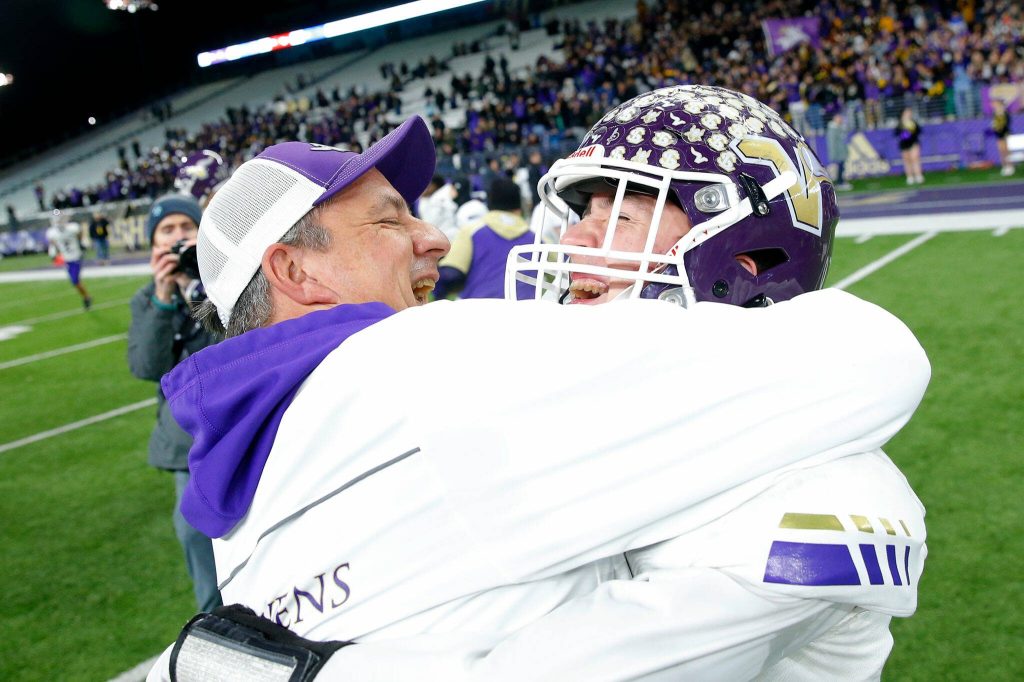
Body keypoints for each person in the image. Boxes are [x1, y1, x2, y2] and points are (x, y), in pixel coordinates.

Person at [150, 102, 928, 680]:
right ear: (295, 271)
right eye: (388, 222)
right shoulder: (424, 363)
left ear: (744, 253)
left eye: (621, 213)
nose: (431, 237)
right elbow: (874, 368)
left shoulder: (239, 443)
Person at [128, 194, 222, 615]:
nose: (178, 236)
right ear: (154, 244)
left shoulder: (224, 284)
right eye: (167, 230)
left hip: (232, 421)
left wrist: (195, 292)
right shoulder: (147, 299)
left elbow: (227, 345)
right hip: (187, 438)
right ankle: (214, 618)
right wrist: (165, 297)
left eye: (187, 227)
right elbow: (148, 365)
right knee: (193, 533)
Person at [433, 177, 534, 300]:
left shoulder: (471, 231)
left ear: (489, 203)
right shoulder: (537, 238)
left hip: (477, 311)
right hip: (526, 313)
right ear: (519, 208)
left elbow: (450, 275)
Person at [45, 209, 91, 309]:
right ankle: (86, 297)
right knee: (75, 282)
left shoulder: (72, 228)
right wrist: (54, 254)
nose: (59, 222)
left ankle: (87, 297)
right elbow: (54, 244)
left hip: (76, 256)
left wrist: (81, 244)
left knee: (75, 280)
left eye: (60, 219)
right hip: (67, 259)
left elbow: (80, 235)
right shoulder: (53, 233)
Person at [416, 173, 459, 242]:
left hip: (451, 237)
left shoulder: (444, 194)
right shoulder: (425, 199)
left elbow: (431, 223)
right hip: (439, 237)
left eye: (426, 184)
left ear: (435, 186)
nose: (422, 188)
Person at [896, 107, 924, 185]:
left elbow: (919, 131)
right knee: (907, 160)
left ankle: (918, 175)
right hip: (904, 144)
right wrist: (905, 134)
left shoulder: (913, 122)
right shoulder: (900, 123)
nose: (909, 114)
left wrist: (911, 132)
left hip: (913, 142)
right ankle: (910, 177)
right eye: (907, 112)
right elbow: (897, 133)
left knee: (915, 159)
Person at [826, 112, 853, 191]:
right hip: (838, 152)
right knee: (840, 168)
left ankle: (841, 182)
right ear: (834, 119)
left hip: (841, 152)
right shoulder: (833, 129)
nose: (840, 119)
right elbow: (832, 142)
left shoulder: (839, 127)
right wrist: (833, 154)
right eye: (838, 117)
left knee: (842, 167)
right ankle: (840, 183)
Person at [991, 99, 1014, 176]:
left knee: (1006, 151)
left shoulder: (1004, 112)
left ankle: (1010, 166)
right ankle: (1004, 166)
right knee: (1001, 151)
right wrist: (995, 127)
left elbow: (1007, 123)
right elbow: (994, 123)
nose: (994, 105)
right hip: (998, 134)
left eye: (995, 103)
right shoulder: (995, 113)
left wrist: (1002, 128)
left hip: (1004, 133)